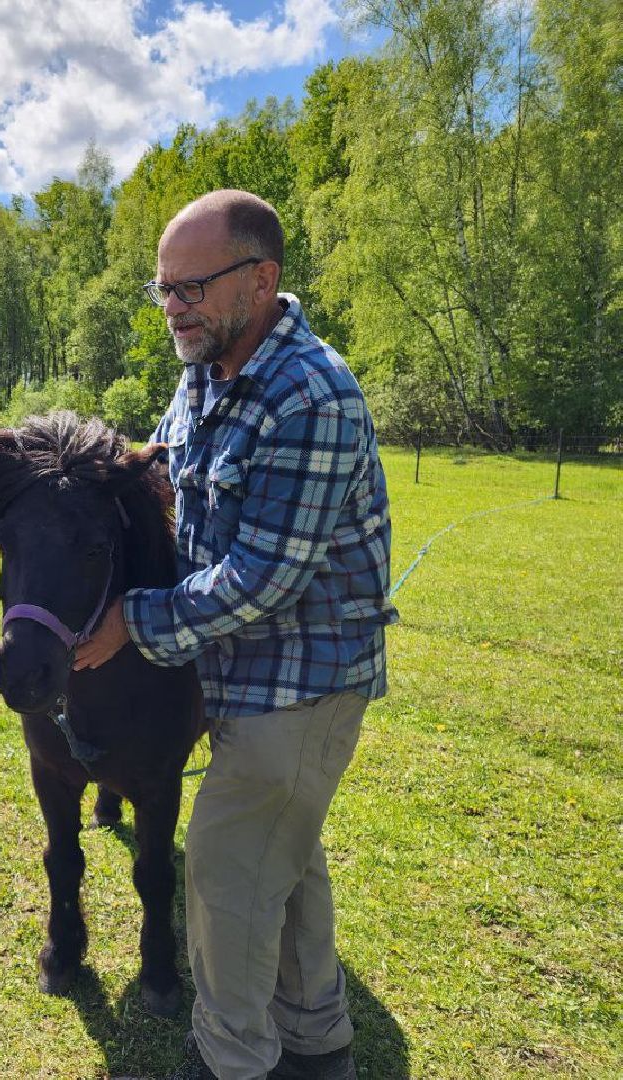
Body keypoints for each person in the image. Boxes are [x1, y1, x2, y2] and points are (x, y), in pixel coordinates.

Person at [74, 190, 397, 1080]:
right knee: (282, 862)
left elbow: (263, 581)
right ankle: (316, 1041)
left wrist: (126, 624)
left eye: (192, 287)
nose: (173, 307)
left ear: (262, 279)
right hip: (241, 677)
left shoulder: (312, 395)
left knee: (224, 871)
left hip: (300, 683)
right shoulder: (208, 371)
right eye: (163, 289)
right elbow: (164, 464)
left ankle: (231, 1059)